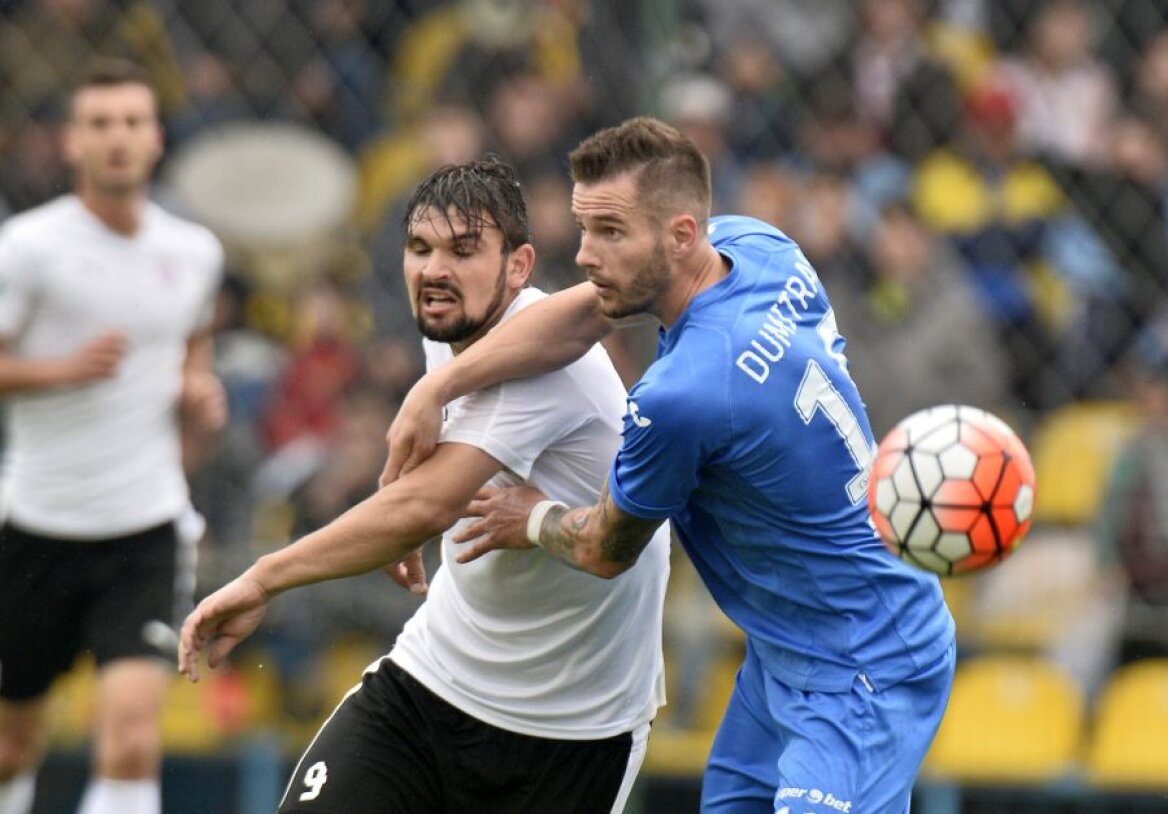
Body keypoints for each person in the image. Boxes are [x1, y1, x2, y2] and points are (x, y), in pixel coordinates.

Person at [382, 117, 957, 813]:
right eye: (584, 228)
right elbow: (577, 316)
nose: (587, 255)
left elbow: (601, 547)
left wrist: (528, 516)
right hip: (787, 651)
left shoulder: (682, 397)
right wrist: (437, 386)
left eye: (611, 234)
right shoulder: (759, 246)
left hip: (863, 663)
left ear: (680, 234)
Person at [178, 157, 670, 814]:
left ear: (519, 267)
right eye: (420, 248)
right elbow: (429, 484)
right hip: (435, 680)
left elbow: (429, 504)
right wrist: (405, 483)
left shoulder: (551, 363)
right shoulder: (452, 324)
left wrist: (265, 575)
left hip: (570, 731)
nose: (435, 269)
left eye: (464, 250)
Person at [0, 60, 226, 814]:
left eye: (132, 121)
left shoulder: (194, 252)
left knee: (130, 738)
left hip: (145, 529)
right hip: (35, 525)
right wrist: (59, 369)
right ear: (72, 142)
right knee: (10, 746)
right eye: (100, 123)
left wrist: (199, 393)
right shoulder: (27, 249)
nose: (117, 138)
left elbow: (192, 348)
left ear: (156, 137)